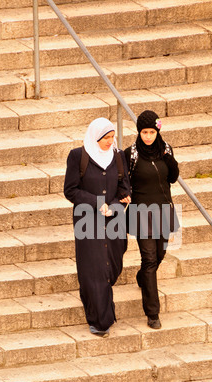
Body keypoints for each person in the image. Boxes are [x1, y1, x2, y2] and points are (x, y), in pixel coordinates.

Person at [64, 118, 131, 337]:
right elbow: (71, 190)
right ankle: (100, 320)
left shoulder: (118, 156)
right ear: (96, 137)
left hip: (114, 221)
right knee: (93, 271)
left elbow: (125, 187)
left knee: (112, 266)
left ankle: (104, 309)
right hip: (87, 222)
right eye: (106, 138)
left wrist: (114, 205)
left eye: (112, 137)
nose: (110, 142)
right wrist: (96, 202)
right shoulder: (78, 157)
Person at [125, 110, 179, 330]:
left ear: (158, 131)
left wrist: (169, 158)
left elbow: (173, 178)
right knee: (149, 259)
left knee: (160, 255)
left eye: (151, 132)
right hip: (141, 213)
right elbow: (124, 181)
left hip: (164, 210)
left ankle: (142, 278)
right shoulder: (131, 154)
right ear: (139, 132)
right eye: (144, 132)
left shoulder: (166, 150)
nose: (148, 136)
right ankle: (152, 313)